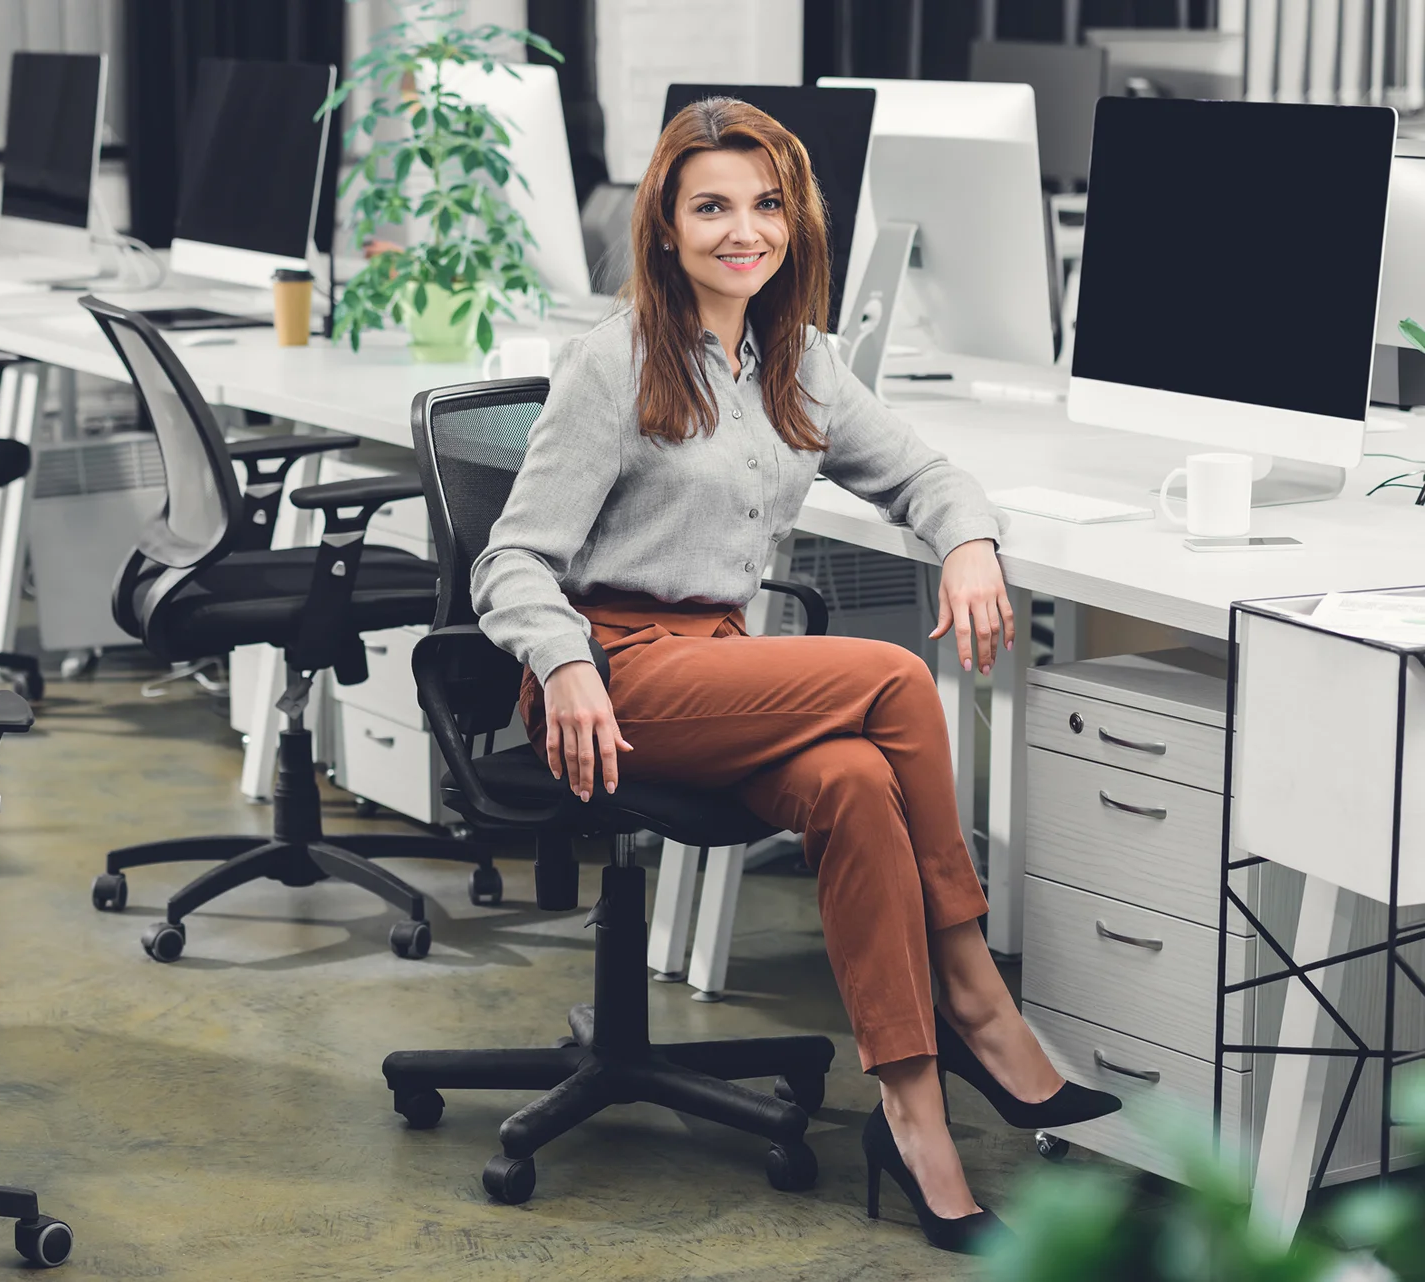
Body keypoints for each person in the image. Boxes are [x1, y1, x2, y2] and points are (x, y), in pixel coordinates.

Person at [471, 96, 1120, 1254]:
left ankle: (914, 1117)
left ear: (797, 220)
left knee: (856, 786)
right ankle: (976, 994)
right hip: (610, 677)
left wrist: (967, 541)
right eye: (710, 205)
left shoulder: (799, 362)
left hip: (718, 665)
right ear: (664, 225)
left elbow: (931, 476)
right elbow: (513, 558)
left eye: (765, 204)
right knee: (891, 680)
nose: (743, 230)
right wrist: (563, 663)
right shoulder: (610, 362)